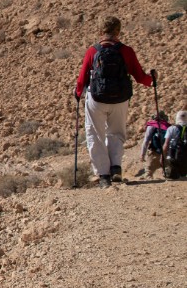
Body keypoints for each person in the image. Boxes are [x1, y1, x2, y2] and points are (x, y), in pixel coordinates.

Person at [74, 16, 155, 188]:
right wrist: (152, 79)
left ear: (100, 31)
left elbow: (82, 79)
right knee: (116, 132)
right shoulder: (126, 51)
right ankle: (116, 168)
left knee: (95, 134)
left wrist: (78, 93)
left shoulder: (92, 51)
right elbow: (140, 77)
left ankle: (103, 176)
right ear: (118, 31)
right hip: (120, 99)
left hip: (96, 99)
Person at [140, 111, 169, 179]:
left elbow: (146, 140)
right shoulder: (168, 126)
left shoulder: (152, 126)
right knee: (167, 172)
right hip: (166, 153)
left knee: (148, 172)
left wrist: (142, 154)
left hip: (154, 152)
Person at [162, 110, 187, 180]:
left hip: (173, 156)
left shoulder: (171, 128)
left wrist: (162, 155)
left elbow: (166, 144)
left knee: (171, 174)